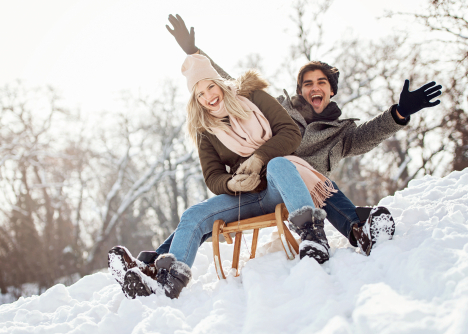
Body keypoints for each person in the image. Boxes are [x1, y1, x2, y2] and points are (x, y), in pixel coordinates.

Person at [162, 14, 442, 257]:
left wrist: (399, 113)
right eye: (307, 83)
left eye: (321, 82)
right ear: (300, 91)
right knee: (201, 214)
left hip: (310, 196)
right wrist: (195, 53)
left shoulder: (340, 134)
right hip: (264, 186)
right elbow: (225, 85)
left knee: (322, 185)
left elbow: (370, 134)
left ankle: (359, 231)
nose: (314, 87)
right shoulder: (277, 111)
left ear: (331, 90)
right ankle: (160, 258)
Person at [108, 52, 340, 299]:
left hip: (279, 188)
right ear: (196, 100)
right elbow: (212, 176)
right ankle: (165, 282)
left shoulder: (254, 98)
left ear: (219, 83)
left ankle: (314, 238)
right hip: (245, 196)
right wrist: (231, 183)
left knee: (278, 165)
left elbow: (291, 133)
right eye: (200, 94)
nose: (208, 96)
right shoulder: (205, 131)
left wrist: (259, 158)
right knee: (193, 215)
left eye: (210, 86)